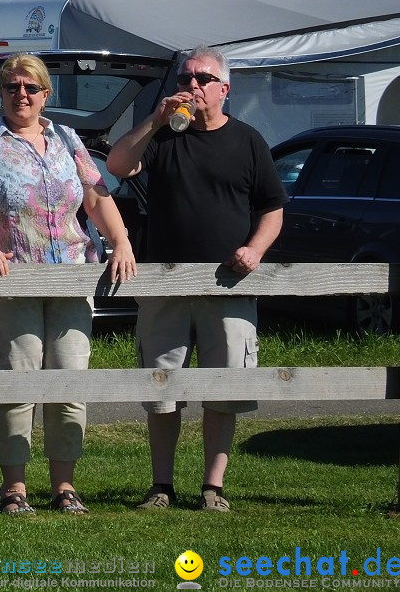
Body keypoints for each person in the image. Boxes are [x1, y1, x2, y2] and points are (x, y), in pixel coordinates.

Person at [0, 53, 136, 516]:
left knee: (69, 382)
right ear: (0, 93)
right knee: (18, 383)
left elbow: (97, 198)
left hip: (72, 276)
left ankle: (64, 486)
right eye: (12, 87)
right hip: (11, 280)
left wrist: (122, 242)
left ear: (45, 94)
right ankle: (14, 487)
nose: (22, 95)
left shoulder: (68, 139)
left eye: (31, 88)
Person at [106, 45, 287, 513]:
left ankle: (213, 488)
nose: (192, 86)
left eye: (203, 79)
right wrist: (153, 120)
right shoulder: (164, 137)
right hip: (164, 284)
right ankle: (161, 486)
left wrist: (255, 249)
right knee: (162, 389)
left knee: (223, 390)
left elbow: (273, 208)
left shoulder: (247, 142)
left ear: (224, 89)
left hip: (228, 283)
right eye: (185, 78)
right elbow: (117, 166)